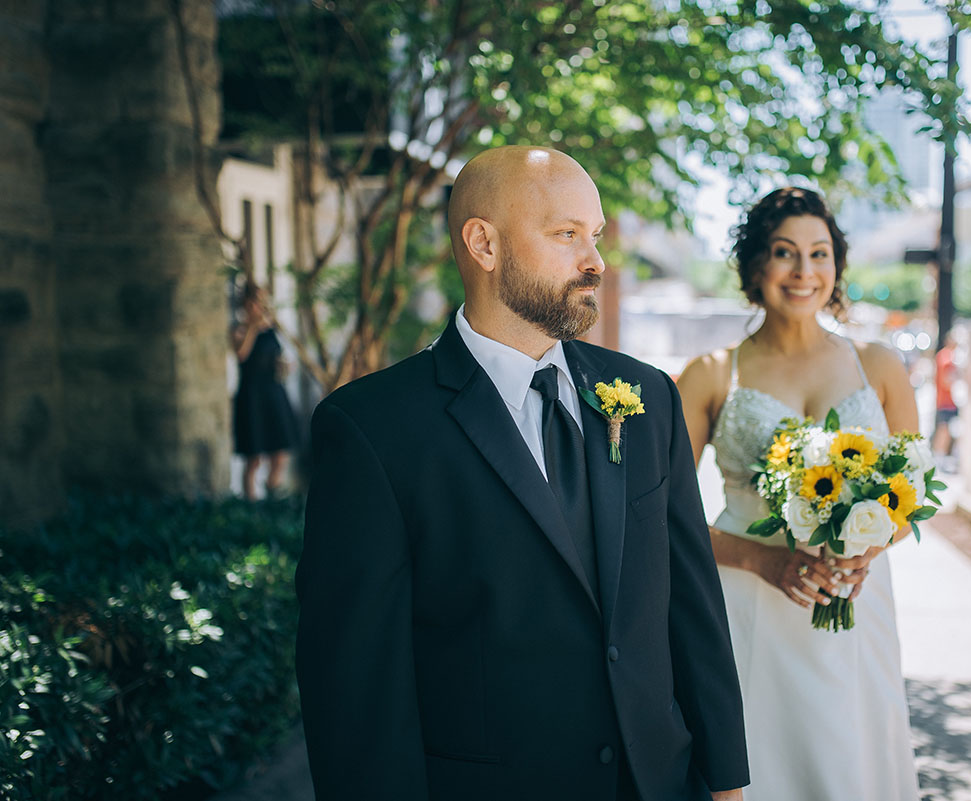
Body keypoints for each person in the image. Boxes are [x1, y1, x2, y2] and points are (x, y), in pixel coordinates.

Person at [295, 146, 749, 801]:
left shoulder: (648, 397)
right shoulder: (372, 429)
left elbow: (691, 603)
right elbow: (357, 686)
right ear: (483, 243)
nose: (594, 260)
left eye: (593, 236)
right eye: (566, 235)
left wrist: (727, 778)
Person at [677, 187, 920, 801]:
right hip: (748, 600)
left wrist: (866, 549)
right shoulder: (711, 373)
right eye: (785, 253)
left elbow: (913, 492)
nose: (804, 271)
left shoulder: (880, 366)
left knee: (853, 756)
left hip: (855, 600)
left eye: (819, 254)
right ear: (756, 264)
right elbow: (659, 514)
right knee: (762, 761)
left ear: (836, 265)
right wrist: (763, 559)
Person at [230, 286, 299, 500]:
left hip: (273, 394)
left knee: (280, 454)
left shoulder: (272, 329)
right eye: (251, 303)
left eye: (259, 303)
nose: (255, 308)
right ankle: (251, 505)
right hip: (251, 397)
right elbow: (241, 354)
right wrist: (252, 326)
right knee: (254, 458)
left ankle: (273, 496)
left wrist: (286, 366)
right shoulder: (238, 330)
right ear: (244, 305)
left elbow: (280, 359)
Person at [932, 337, 958, 467]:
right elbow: (945, 381)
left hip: (943, 399)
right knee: (945, 429)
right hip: (947, 401)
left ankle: (940, 456)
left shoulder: (941, 355)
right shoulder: (948, 357)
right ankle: (939, 457)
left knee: (945, 429)